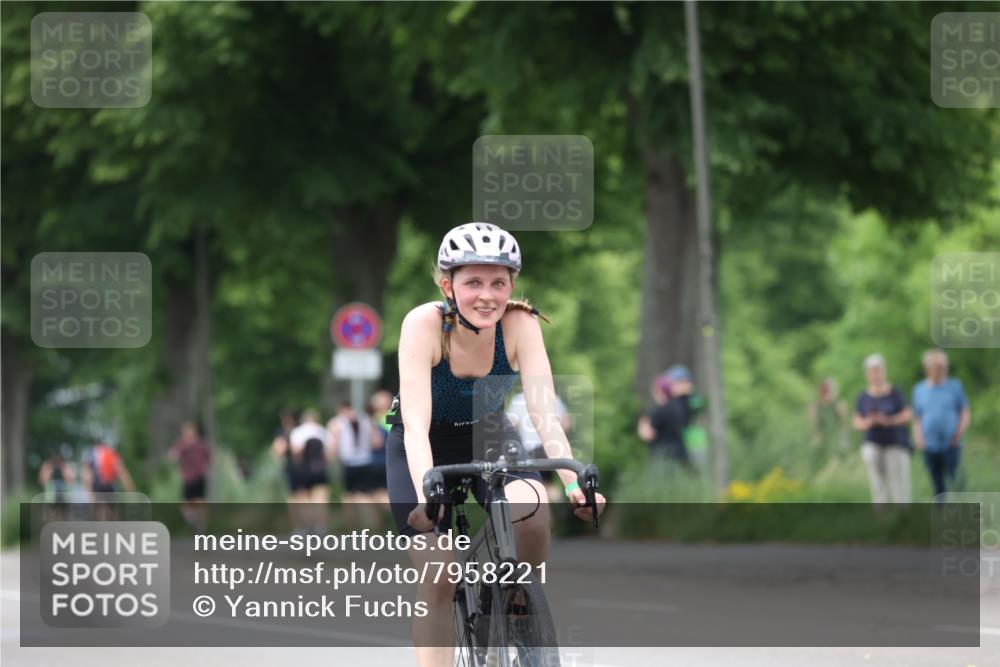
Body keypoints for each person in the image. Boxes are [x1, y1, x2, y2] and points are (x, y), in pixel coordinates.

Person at [386, 222, 605, 667]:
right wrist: (428, 496)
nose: (487, 296)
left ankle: (514, 607)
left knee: (533, 510)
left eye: (498, 283)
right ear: (448, 286)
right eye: (473, 283)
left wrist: (572, 482)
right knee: (439, 574)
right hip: (423, 442)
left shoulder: (520, 324)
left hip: (487, 433)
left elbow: (544, 414)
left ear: (512, 285)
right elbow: (415, 423)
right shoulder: (423, 324)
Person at [852, 354, 912, 505]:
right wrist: (870, 421)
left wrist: (889, 420)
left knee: (896, 479)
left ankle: (901, 511)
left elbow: (907, 414)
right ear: (867, 374)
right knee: (877, 481)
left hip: (894, 442)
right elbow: (857, 422)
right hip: (873, 442)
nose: (876, 375)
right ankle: (881, 511)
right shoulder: (863, 397)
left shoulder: (895, 393)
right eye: (873, 371)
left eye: (878, 370)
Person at [912, 348, 971, 499]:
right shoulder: (919, 390)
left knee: (953, 476)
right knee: (937, 480)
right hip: (930, 444)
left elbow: (964, 412)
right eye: (938, 366)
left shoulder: (955, 386)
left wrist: (959, 433)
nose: (942, 370)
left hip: (951, 442)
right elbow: (917, 417)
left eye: (944, 366)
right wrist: (918, 437)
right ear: (927, 368)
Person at [506, 389, 572, 501]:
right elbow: (566, 422)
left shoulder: (519, 399)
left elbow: (510, 424)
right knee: (548, 485)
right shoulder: (552, 398)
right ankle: (562, 506)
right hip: (549, 449)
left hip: (529, 449)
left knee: (530, 484)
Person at [327, 401, 384, 529]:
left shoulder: (337, 422)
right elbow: (377, 442)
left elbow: (332, 445)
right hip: (366, 461)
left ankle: (352, 527)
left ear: (341, 409)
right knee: (367, 495)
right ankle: (373, 525)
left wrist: (330, 458)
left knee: (349, 497)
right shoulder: (365, 419)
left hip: (349, 463)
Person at [289, 409, 333, 534]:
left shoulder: (298, 432)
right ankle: (321, 526)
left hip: (304, 469)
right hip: (320, 468)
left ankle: (307, 526)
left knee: (304, 498)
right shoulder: (323, 431)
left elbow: (295, 452)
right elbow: (329, 453)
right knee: (320, 497)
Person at [637, 373, 691, 469]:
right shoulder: (677, 406)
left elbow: (647, 435)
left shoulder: (660, 411)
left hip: (663, 457)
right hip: (678, 455)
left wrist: (642, 422)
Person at [664, 364, 709, 473]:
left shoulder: (693, 399)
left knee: (695, 473)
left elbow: (698, 418)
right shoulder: (675, 401)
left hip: (694, 443)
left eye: (675, 383)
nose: (672, 387)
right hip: (680, 443)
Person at [168, 421, 212, 532]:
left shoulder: (187, 444)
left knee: (195, 502)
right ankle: (197, 523)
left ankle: (199, 524)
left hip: (194, 476)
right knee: (193, 502)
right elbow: (209, 458)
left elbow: (172, 456)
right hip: (193, 476)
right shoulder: (196, 443)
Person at [808, 377, 849, 458]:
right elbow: (815, 426)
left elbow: (844, 423)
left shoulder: (839, 405)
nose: (826, 393)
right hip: (823, 437)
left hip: (836, 437)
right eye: (824, 390)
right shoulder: (815, 407)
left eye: (828, 390)